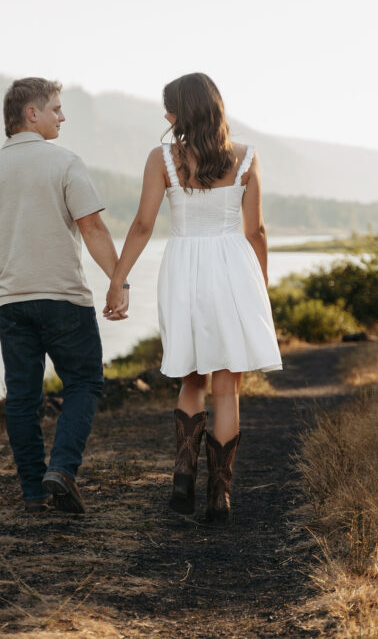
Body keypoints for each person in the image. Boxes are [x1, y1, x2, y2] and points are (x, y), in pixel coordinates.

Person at [104, 72, 282, 526]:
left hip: (183, 267)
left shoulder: (162, 158)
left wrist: (118, 280)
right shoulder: (246, 157)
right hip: (233, 268)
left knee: (191, 378)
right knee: (227, 387)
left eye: (169, 110)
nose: (166, 118)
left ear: (179, 114)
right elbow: (256, 231)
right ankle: (219, 496)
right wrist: (260, 285)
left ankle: (183, 476)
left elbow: (143, 225)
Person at [0, 77, 127, 515]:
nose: (63, 116)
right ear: (31, 113)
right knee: (84, 382)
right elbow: (92, 228)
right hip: (64, 300)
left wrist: (4, 294)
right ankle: (61, 469)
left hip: (11, 303)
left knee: (22, 398)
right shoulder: (65, 162)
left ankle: (33, 492)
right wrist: (118, 282)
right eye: (56, 108)